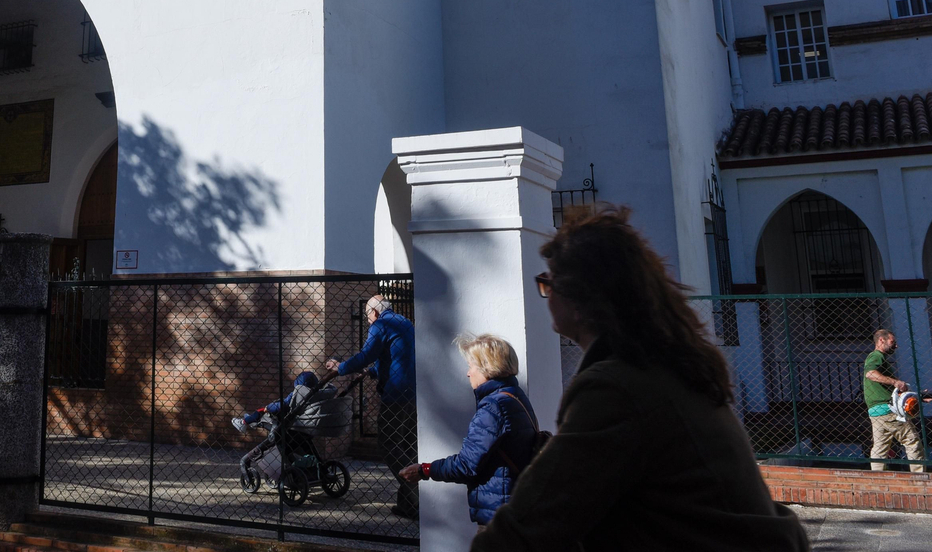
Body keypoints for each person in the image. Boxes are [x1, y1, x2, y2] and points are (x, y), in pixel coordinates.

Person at [474, 207, 810, 552]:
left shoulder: (615, 387)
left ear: (579, 300)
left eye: (549, 283)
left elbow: (533, 520)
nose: (546, 295)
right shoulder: (665, 366)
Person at [398, 333, 542, 529]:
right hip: (514, 505)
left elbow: (466, 465)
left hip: (498, 515)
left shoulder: (494, 406)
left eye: (471, 366)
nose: (468, 373)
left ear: (487, 368)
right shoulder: (514, 396)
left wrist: (425, 470)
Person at [327, 294, 418, 519]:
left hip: (395, 394)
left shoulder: (381, 324)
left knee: (389, 444)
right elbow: (394, 356)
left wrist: (340, 368)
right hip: (413, 393)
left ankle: (416, 492)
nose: (368, 320)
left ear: (374, 313)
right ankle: (408, 503)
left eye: (368, 315)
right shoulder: (404, 322)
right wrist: (374, 371)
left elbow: (367, 354)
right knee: (407, 445)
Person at [863, 328, 925, 474]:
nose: (896, 346)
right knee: (911, 440)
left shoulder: (876, 358)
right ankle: (919, 476)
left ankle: (876, 478)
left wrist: (917, 397)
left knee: (880, 447)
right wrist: (895, 382)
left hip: (875, 411)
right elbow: (870, 374)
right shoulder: (876, 356)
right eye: (893, 342)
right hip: (887, 409)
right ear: (881, 340)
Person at [232, 370, 332, 457]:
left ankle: (244, 422)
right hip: (308, 426)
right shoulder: (320, 394)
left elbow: (283, 404)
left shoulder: (299, 393)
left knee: (262, 411)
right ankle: (247, 420)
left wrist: (269, 407)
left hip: (291, 425)